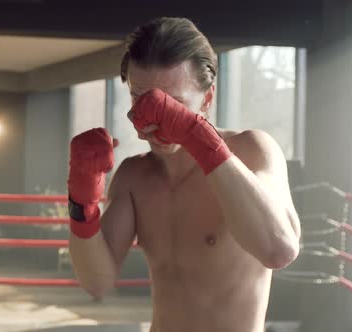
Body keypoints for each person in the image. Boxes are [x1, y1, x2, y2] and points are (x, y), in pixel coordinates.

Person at [67, 17, 301, 332]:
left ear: (207, 99)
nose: (153, 120)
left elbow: (279, 249)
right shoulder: (135, 176)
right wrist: (81, 203)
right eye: (141, 99)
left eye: (172, 105)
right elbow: (97, 283)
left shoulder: (252, 150)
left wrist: (196, 136)